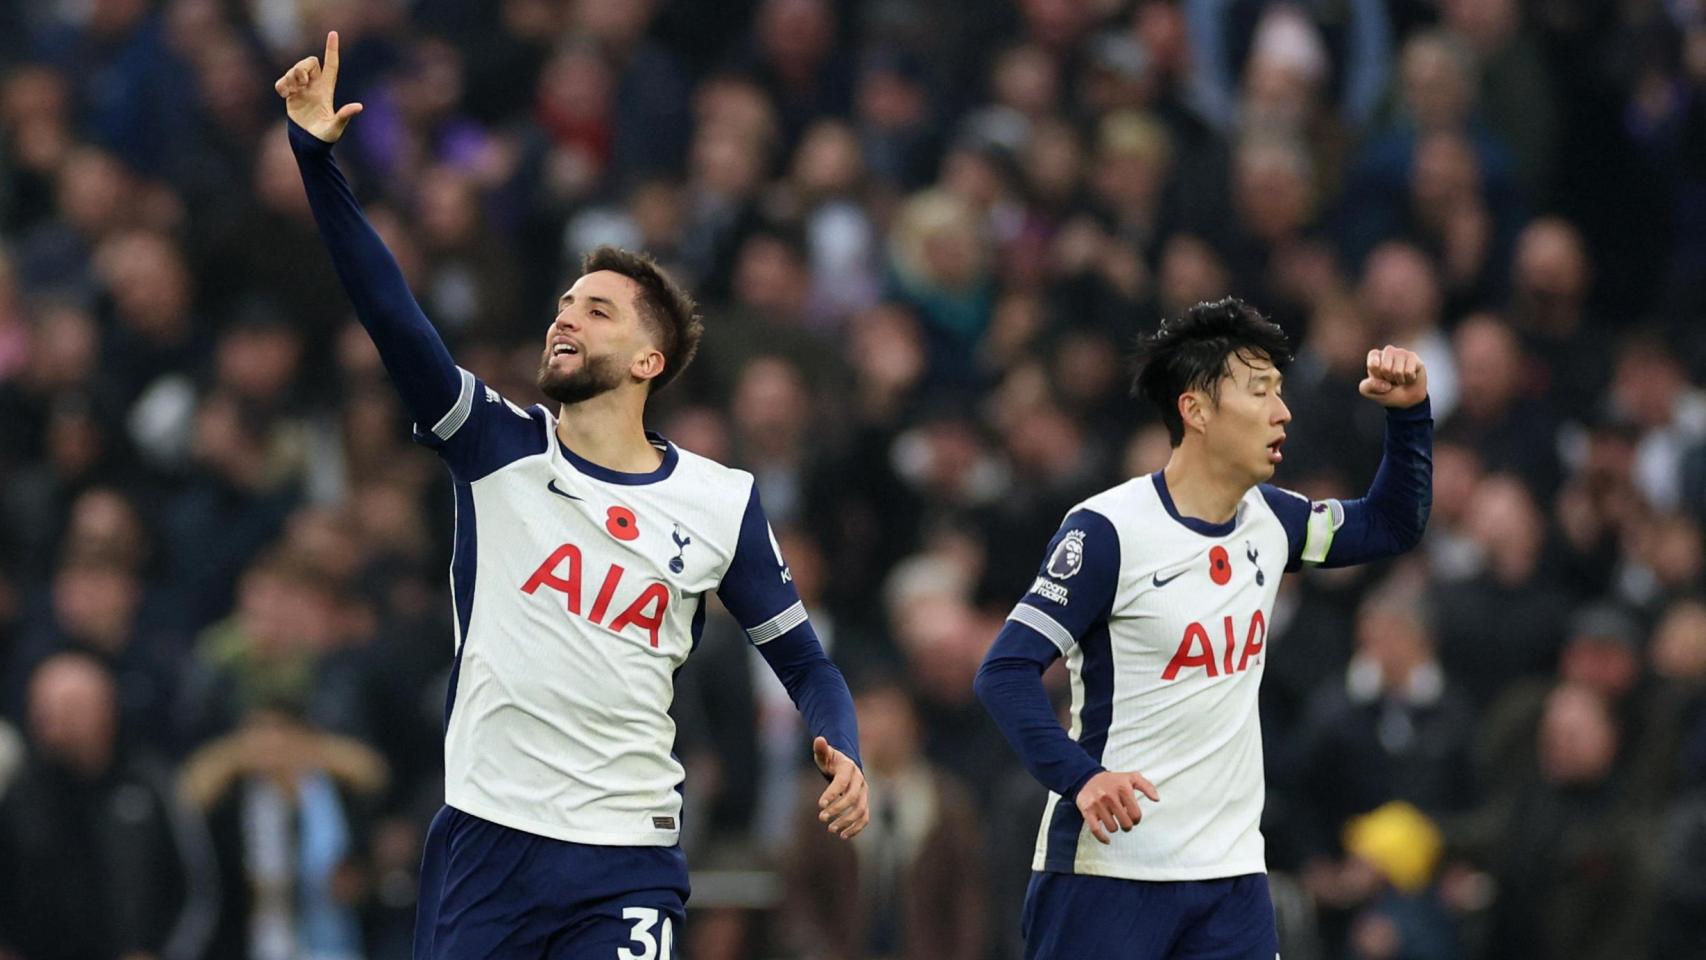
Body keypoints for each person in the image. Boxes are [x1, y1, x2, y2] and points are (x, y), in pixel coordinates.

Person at [274, 33, 867, 959]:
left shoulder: (720, 500)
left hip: (627, 860)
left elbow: (807, 666)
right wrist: (318, 162)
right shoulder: (494, 446)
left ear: (647, 360)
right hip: (487, 843)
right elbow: (390, 308)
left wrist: (843, 748)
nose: (564, 315)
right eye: (563, 302)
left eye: (596, 309)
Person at [975, 297, 1432, 959]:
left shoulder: (1274, 521)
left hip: (1229, 879)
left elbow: (1392, 524)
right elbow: (1004, 672)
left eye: (1280, 391)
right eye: (1260, 392)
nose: (1284, 413)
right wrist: (1082, 777)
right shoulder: (1106, 532)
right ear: (1196, 410)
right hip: (1110, 875)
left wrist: (1409, 415)